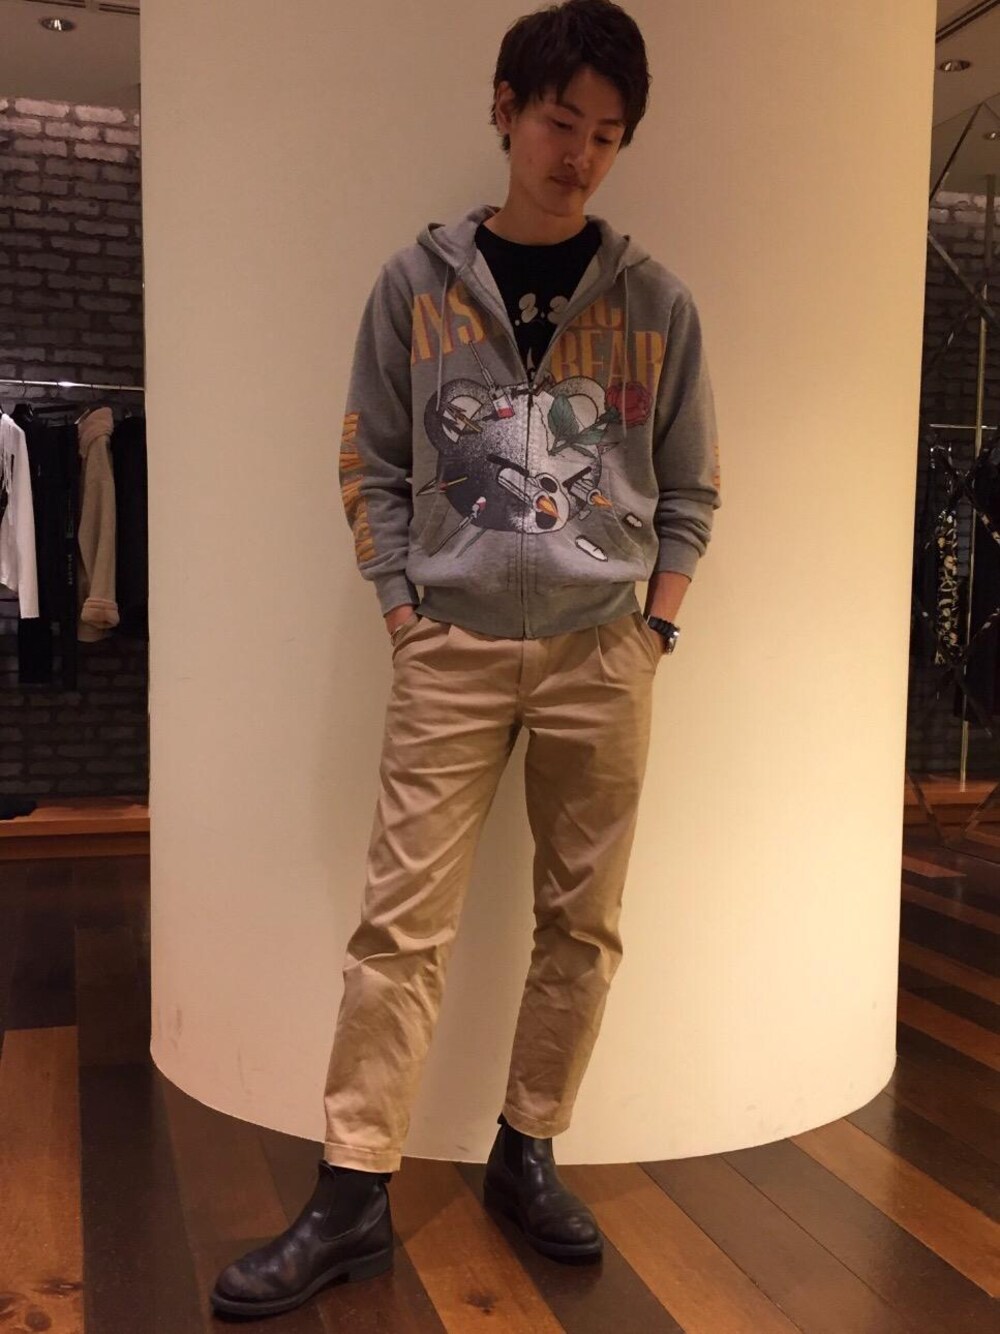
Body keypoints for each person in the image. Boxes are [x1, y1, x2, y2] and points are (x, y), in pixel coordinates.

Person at [210, 0, 720, 1318]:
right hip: (450, 651)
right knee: (401, 923)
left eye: (607, 134)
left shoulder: (658, 301)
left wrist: (654, 628)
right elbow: (370, 462)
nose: (581, 155)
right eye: (560, 121)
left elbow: (692, 489)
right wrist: (403, 611)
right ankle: (352, 1187)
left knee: (583, 923)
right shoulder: (415, 286)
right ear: (504, 109)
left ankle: (527, 1147)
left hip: (603, 656)